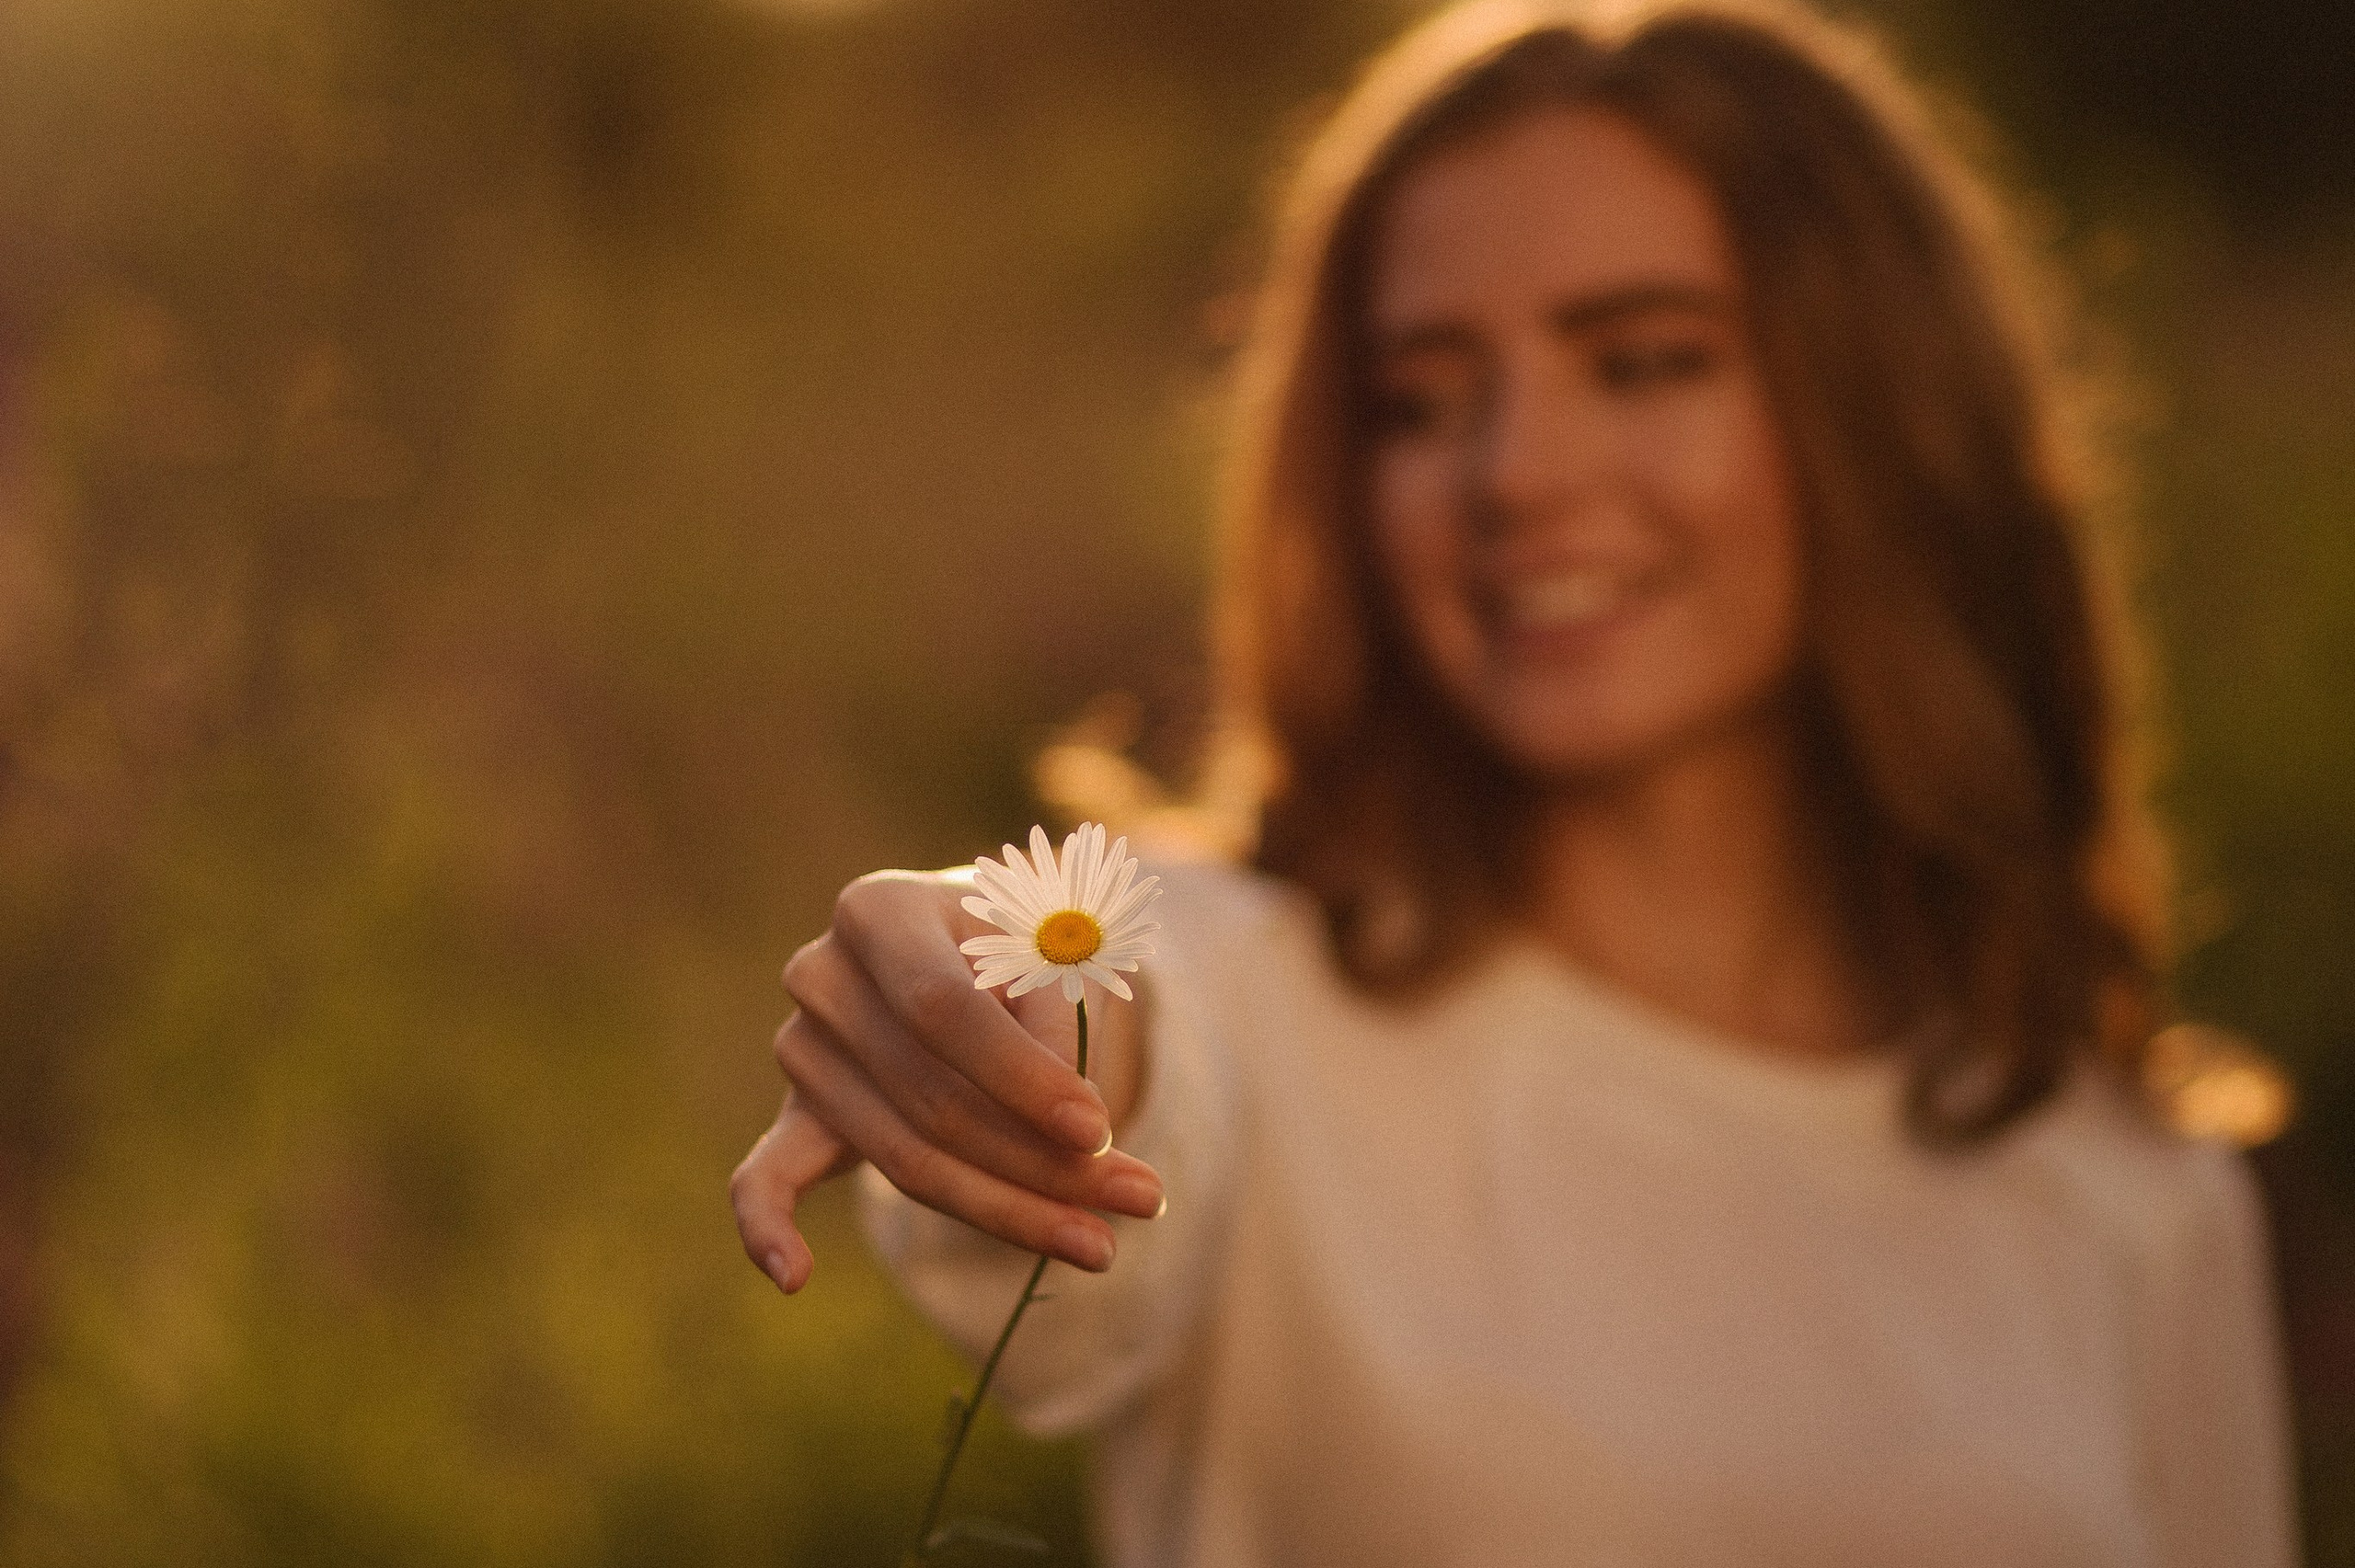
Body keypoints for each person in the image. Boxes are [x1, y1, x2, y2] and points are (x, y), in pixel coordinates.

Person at [729, 1, 2301, 1562]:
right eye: (1421, 398)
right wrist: (988, 1003)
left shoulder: (2133, 1190)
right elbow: (1113, 1082)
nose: (1516, 472)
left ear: (1886, 413)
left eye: (1644, 361)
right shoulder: (1253, 1002)